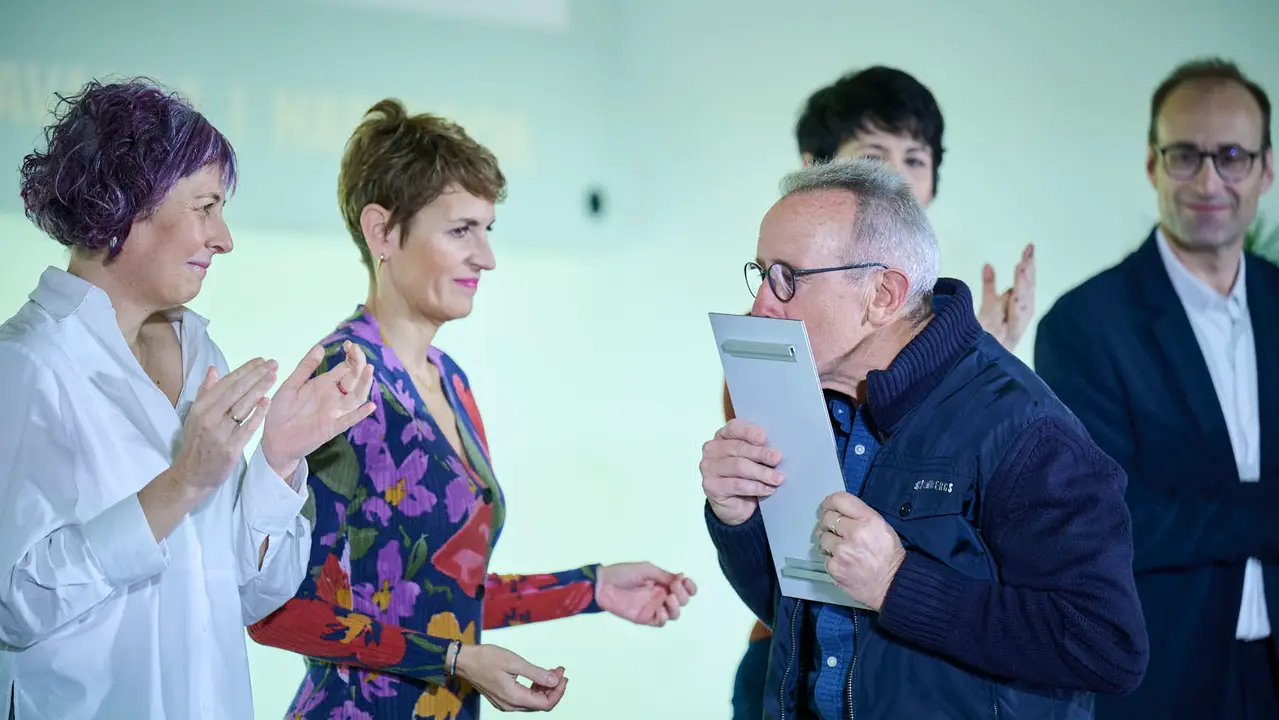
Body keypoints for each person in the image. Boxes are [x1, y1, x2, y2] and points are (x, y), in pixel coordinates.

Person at [247, 99, 698, 719]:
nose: (486, 257)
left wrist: (592, 588)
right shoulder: (342, 383)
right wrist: (456, 661)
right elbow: (275, 611)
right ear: (381, 232)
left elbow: (438, 599)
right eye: (461, 230)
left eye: (487, 230)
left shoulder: (448, 381)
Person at [702, 157, 1148, 719]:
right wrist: (737, 518)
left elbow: (1106, 648)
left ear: (884, 295)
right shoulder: (808, 397)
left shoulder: (1027, 430)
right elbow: (790, 608)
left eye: (787, 278)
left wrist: (896, 583)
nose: (761, 304)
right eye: (761, 272)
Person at [0, 78, 376, 720]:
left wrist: (278, 461)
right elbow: (15, 605)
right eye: (205, 207)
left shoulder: (203, 354)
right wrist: (181, 484)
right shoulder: (26, 365)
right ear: (124, 205)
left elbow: (251, 594)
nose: (224, 237)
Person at [728, 64, 1037, 718]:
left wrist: (977, 371)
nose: (896, 178)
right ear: (816, 169)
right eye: (873, 157)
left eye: (914, 158)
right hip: (794, 654)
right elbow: (778, 539)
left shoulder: (987, 372)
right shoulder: (779, 334)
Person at [1035, 58, 1277, 720]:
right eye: (1183, 155)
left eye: (1230, 156)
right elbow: (1111, 519)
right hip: (1161, 681)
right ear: (1151, 165)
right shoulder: (1083, 325)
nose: (1207, 181)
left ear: (1265, 168)